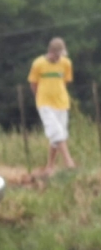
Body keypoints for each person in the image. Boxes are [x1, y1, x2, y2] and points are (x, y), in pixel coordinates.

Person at [28, 37, 76, 176]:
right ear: (51, 51)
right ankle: (69, 162)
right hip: (45, 103)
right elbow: (33, 83)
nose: (59, 57)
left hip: (62, 103)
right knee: (56, 132)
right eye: (57, 54)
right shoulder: (38, 64)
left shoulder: (66, 63)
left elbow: (66, 81)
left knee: (59, 135)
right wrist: (39, 97)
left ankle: (49, 166)